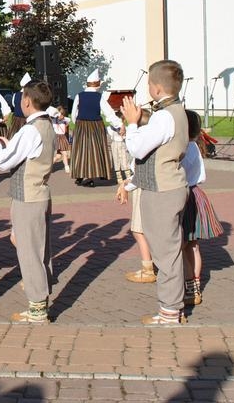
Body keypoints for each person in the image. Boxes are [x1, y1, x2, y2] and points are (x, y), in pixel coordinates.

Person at [0, 80, 57, 323]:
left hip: (28, 195)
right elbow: (21, 154)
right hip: (38, 192)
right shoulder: (46, 125)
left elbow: (4, 161)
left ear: (27, 101)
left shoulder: (30, 130)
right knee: (36, 247)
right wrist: (5, 145)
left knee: (30, 251)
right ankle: (40, 299)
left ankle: (38, 307)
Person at [120, 60, 189, 325]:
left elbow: (138, 149)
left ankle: (170, 310)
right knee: (167, 249)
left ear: (157, 88)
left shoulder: (164, 116)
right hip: (167, 185)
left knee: (165, 252)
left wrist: (133, 123)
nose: (148, 87)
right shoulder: (174, 110)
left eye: (149, 83)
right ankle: (172, 307)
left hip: (163, 190)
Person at [181, 110, 224, 306]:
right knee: (193, 245)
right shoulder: (195, 147)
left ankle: (190, 287)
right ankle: (195, 285)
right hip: (197, 194)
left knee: (183, 246)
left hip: (186, 195)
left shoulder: (185, 149)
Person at [116, 109, 158, 284]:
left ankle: (148, 268)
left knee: (138, 229)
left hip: (142, 189)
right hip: (151, 188)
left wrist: (126, 186)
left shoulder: (141, 150)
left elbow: (139, 175)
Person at [70, 69, 117, 186]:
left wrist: (79, 123)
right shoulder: (99, 97)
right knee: (95, 151)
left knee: (81, 151)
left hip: (81, 125)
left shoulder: (79, 96)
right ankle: (93, 176)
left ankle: (80, 175)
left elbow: (73, 113)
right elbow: (109, 113)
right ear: (97, 84)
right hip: (96, 125)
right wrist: (119, 124)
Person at [8, 73, 32, 138]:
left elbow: (13, 105)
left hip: (16, 120)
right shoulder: (30, 95)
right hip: (25, 120)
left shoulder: (15, 95)